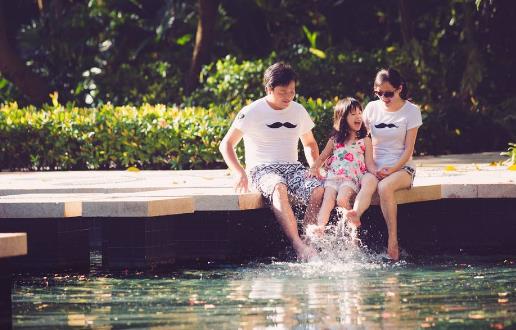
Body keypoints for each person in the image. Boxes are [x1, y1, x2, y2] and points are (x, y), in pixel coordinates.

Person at [219, 62, 324, 261]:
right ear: (269, 89)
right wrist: (239, 171)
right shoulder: (252, 111)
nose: (288, 97)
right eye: (282, 92)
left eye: (292, 92)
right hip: (262, 169)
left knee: (318, 189)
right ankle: (297, 244)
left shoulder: (298, 110)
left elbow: (309, 143)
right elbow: (226, 144)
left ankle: (309, 243)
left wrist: (315, 166)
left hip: (292, 167)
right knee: (278, 187)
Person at [346, 68, 422, 261]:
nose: (384, 97)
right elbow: (358, 134)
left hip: (401, 167)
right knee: (365, 184)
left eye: (388, 93)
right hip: (375, 166)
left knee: (384, 186)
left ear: (399, 88)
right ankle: (354, 228)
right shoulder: (372, 108)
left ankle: (392, 241)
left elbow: (408, 151)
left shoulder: (411, 111)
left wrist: (392, 169)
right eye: (379, 93)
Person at [307, 97, 374, 236]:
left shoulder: (365, 140)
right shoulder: (335, 140)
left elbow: (369, 163)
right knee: (327, 201)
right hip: (332, 177)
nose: (358, 117)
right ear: (342, 118)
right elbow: (323, 156)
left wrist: (377, 173)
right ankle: (320, 227)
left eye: (360, 113)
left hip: (351, 178)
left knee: (341, 199)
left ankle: (353, 221)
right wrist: (314, 168)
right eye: (353, 114)